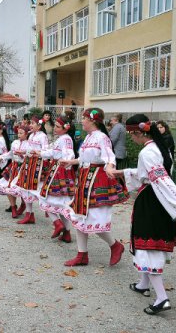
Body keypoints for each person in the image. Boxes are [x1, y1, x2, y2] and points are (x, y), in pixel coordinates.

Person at [107, 114, 176, 315]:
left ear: (137, 133)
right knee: (144, 243)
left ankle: (162, 297)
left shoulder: (147, 152)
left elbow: (160, 179)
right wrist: (123, 172)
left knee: (148, 246)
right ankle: (143, 284)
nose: (132, 138)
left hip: (153, 202)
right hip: (156, 199)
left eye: (131, 135)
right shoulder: (160, 148)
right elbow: (149, 173)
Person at [59, 108, 128, 267]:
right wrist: (71, 162)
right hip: (84, 178)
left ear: (93, 121)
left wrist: (110, 167)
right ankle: (82, 254)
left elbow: (109, 156)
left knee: (93, 218)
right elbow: (85, 158)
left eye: (84, 118)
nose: (81, 121)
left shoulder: (102, 137)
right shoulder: (89, 137)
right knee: (80, 216)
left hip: (96, 179)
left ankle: (115, 245)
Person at [37, 114, 76, 243]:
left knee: (45, 198)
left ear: (66, 128)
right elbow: (53, 152)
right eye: (56, 126)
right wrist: (40, 153)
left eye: (58, 127)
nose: (55, 128)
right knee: (60, 203)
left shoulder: (65, 139)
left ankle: (57, 223)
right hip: (57, 168)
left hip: (59, 170)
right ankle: (66, 232)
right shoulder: (62, 138)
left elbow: (68, 153)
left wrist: (66, 161)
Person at [13, 116, 49, 224]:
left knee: (37, 188)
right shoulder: (31, 135)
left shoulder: (42, 136)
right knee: (25, 188)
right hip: (28, 163)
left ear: (39, 125)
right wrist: (23, 152)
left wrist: (35, 152)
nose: (30, 125)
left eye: (33, 123)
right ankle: (29, 214)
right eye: (30, 123)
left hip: (38, 164)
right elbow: (29, 150)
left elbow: (45, 150)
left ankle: (49, 209)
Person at [0, 124, 29, 218]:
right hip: (13, 167)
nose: (19, 135)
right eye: (18, 133)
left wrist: (23, 155)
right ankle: (13, 207)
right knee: (8, 187)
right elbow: (11, 154)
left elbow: (31, 156)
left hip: (23, 168)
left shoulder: (29, 144)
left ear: (26, 134)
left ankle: (23, 205)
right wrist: (1, 157)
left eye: (21, 133)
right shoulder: (14, 142)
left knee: (22, 189)